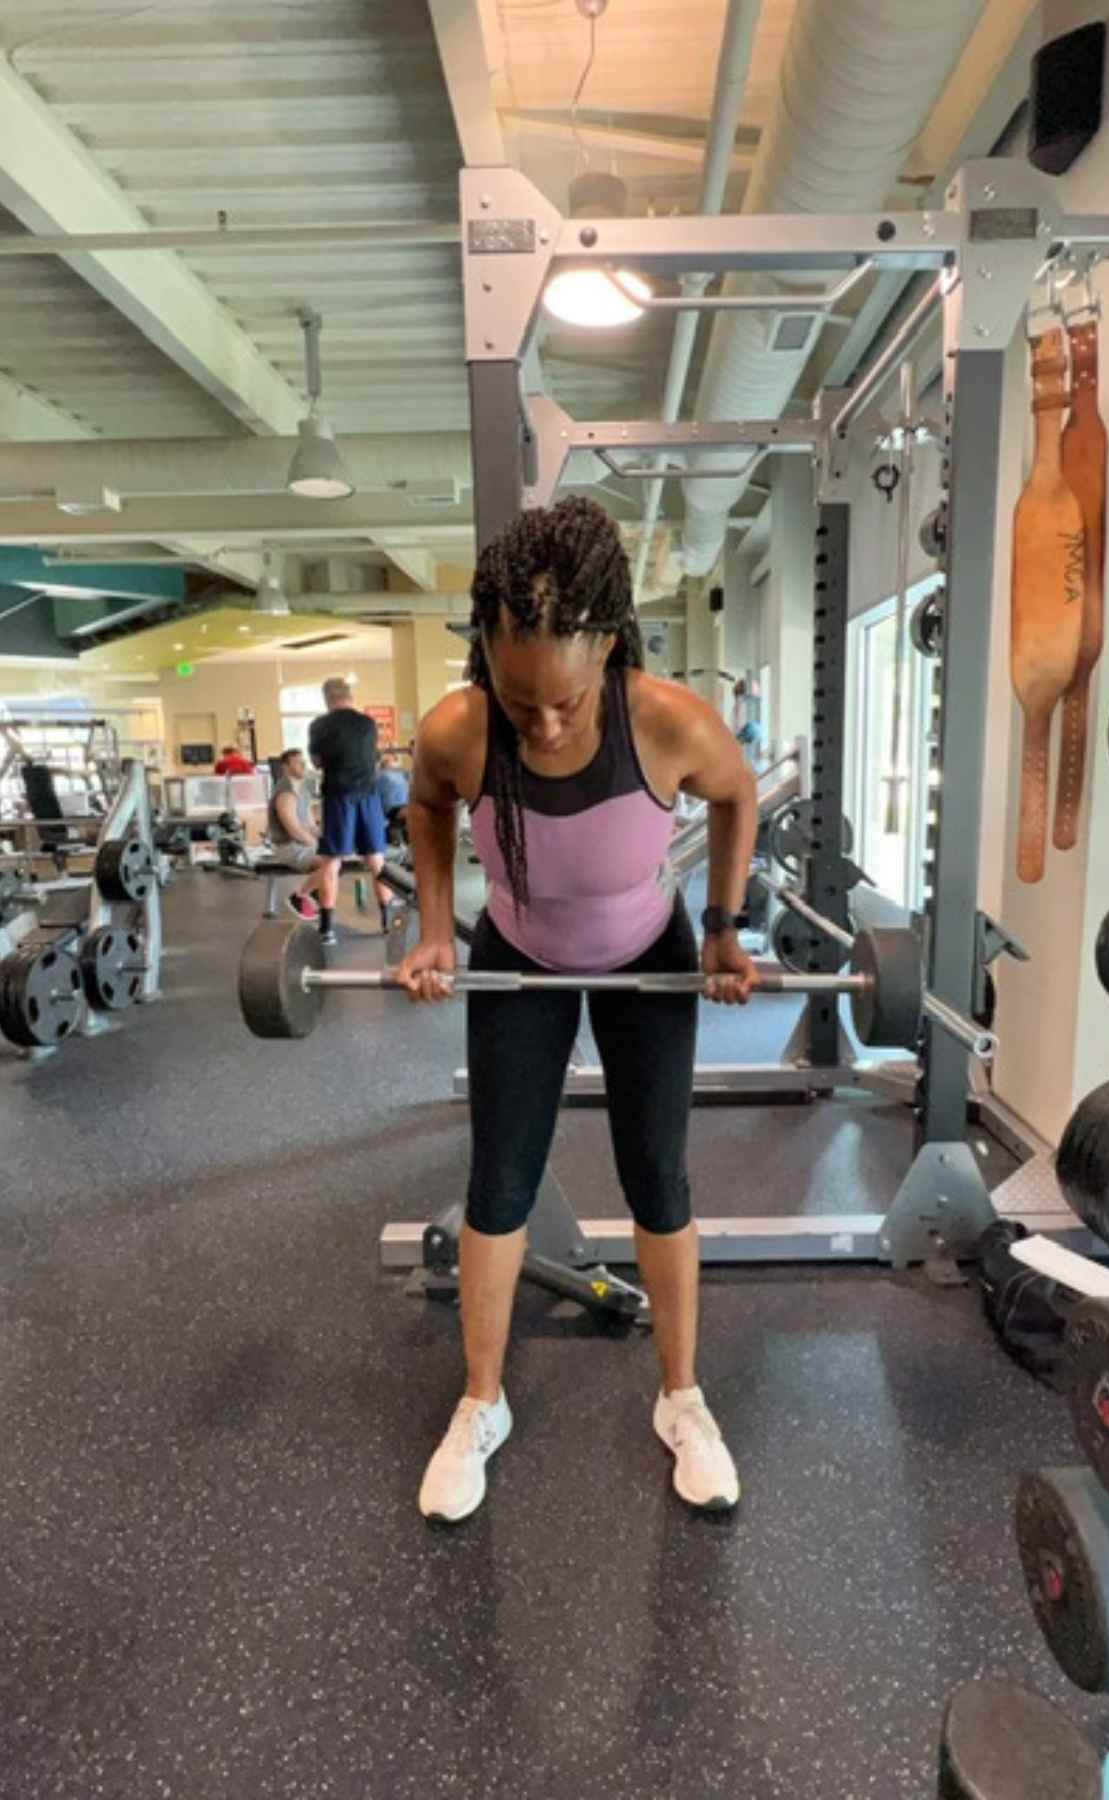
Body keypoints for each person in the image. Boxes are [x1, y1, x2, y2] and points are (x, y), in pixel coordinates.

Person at [400, 495, 759, 1525]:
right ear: (486, 656)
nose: (545, 725)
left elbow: (736, 795)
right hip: (521, 957)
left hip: (647, 955)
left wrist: (724, 927)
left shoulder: (667, 721)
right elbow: (426, 802)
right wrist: (436, 930)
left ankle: (683, 1399)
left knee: (658, 1175)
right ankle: (481, 1402)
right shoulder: (460, 729)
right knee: (499, 1181)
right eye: (521, 703)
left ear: (606, 645)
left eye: (564, 701)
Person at [308, 677, 394, 946]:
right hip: (368, 796)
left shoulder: (319, 725)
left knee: (331, 862)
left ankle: (327, 930)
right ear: (349, 696)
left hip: (338, 795)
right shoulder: (368, 723)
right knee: (376, 859)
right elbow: (373, 757)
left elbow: (317, 762)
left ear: (327, 699)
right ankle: (388, 921)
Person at [263, 749, 322, 923]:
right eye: (298, 762)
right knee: (330, 863)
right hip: (289, 847)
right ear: (285, 767)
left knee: (336, 855)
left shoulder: (302, 790)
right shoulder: (285, 792)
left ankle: (314, 894)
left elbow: (311, 826)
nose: (304, 765)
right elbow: (293, 830)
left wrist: (326, 839)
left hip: (302, 845)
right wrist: (315, 844)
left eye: (304, 761)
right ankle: (300, 896)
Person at [375, 749, 410, 848]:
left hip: (404, 806)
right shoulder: (380, 774)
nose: (392, 757)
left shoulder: (403, 773)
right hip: (392, 808)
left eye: (393, 756)